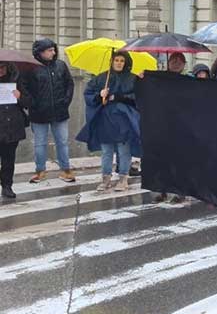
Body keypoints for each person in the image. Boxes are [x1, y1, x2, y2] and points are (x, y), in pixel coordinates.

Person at [77, 51, 141, 193]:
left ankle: (123, 178)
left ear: (126, 63)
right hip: (105, 119)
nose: (118, 63)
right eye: (116, 60)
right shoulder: (101, 78)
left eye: (121, 61)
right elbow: (89, 93)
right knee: (107, 151)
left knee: (124, 150)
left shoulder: (133, 79)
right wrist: (99, 95)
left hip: (124, 120)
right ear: (111, 61)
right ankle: (105, 178)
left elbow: (138, 96)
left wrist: (119, 97)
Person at [22, 38, 75, 183]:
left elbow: (69, 84)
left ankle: (66, 170)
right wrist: (32, 104)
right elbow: (23, 87)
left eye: (53, 49)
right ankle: (40, 171)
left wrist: (66, 101)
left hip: (60, 111)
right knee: (40, 143)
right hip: (39, 113)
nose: (53, 52)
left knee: (62, 142)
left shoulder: (60, 65)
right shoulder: (30, 68)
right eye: (49, 50)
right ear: (40, 52)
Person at [0, 62, 30, 199]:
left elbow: (29, 103)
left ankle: (7, 186)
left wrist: (20, 97)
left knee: (8, 159)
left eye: (2, 67)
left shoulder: (17, 80)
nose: (0, 71)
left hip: (12, 126)